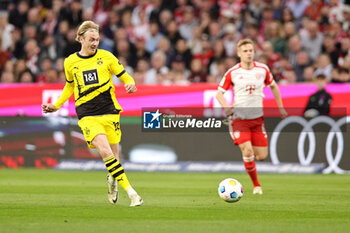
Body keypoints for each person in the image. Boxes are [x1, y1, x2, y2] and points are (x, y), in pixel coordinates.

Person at [41, 21, 143, 207]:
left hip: (110, 111)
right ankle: (132, 193)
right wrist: (56, 105)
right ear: (81, 39)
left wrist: (130, 83)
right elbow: (69, 86)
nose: (95, 43)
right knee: (105, 152)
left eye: (97, 39)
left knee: (114, 156)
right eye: (91, 39)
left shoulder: (107, 57)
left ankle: (113, 180)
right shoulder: (71, 62)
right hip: (87, 115)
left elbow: (124, 75)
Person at [216, 39, 287, 195]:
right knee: (247, 151)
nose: (249, 53)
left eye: (251, 50)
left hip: (257, 120)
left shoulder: (262, 70)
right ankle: (256, 185)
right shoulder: (233, 72)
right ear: (239, 53)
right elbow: (219, 93)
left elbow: (274, 86)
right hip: (239, 119)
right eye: (245, 51)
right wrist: (227, 107)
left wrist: (280, 106)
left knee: (261, 156)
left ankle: (249, 157)